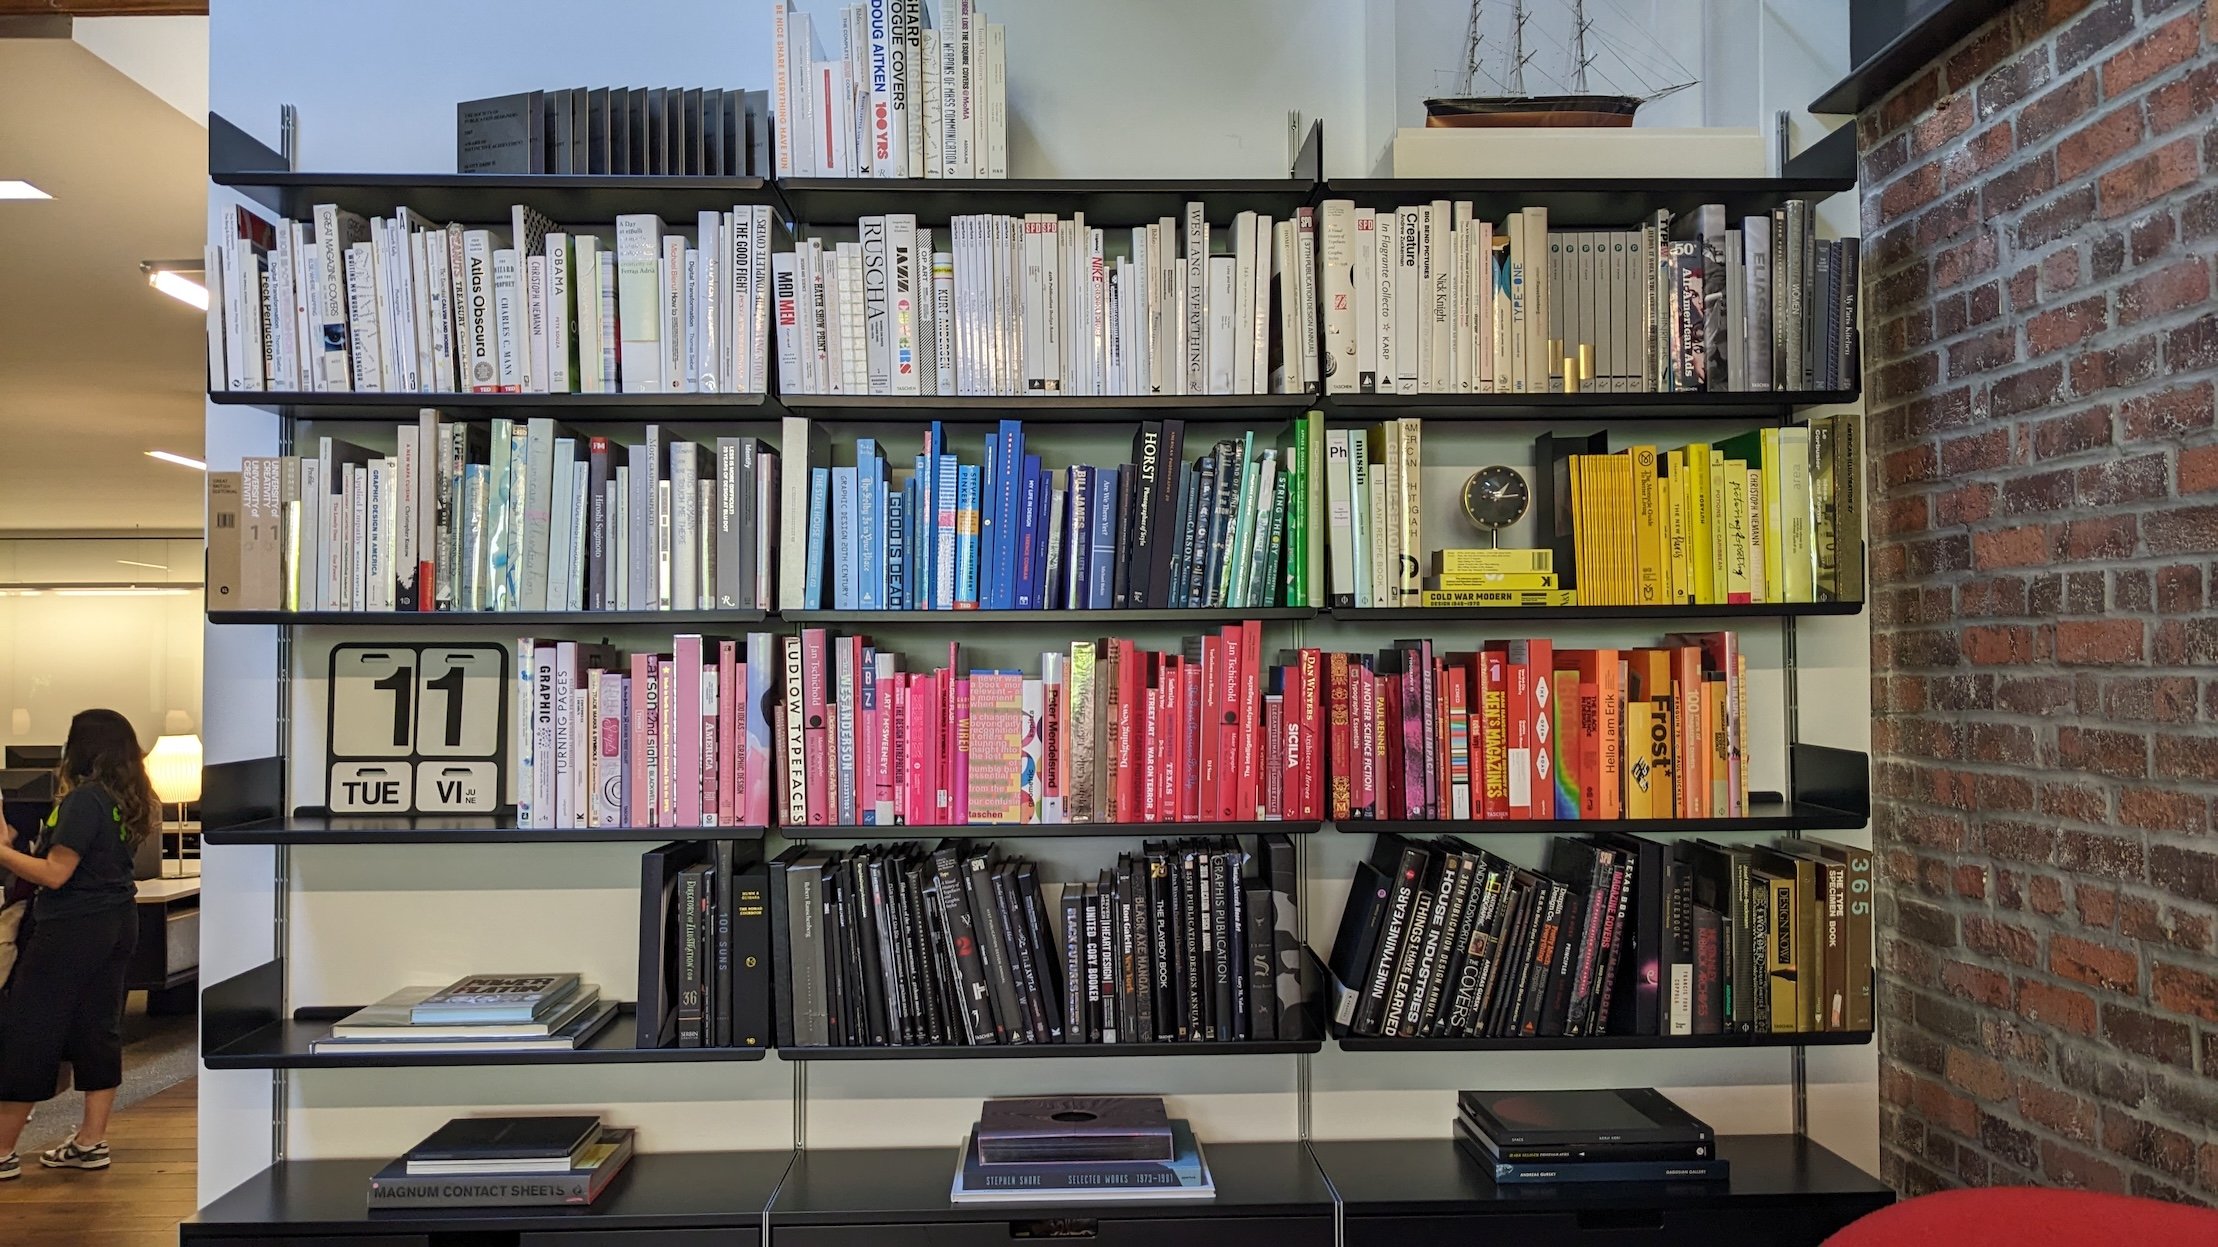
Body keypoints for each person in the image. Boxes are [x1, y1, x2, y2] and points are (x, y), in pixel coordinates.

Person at [0, 710, 158, 1180]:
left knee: (29, 1030)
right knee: (98, 1027)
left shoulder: (83, 802)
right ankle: (91, 1142)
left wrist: (3, 853)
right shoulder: (129, 800)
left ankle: (3, 1152)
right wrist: (12, 843)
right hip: (117, 923)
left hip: (70, 929)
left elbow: (55, 874)